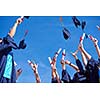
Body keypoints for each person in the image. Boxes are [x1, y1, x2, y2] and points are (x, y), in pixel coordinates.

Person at [0, 17, 25, 83]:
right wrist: (16, 23)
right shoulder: (1, 47)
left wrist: (16, 74)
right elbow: (10, 36)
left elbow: (11, 76)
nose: (2, 40)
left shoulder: (7, 52)